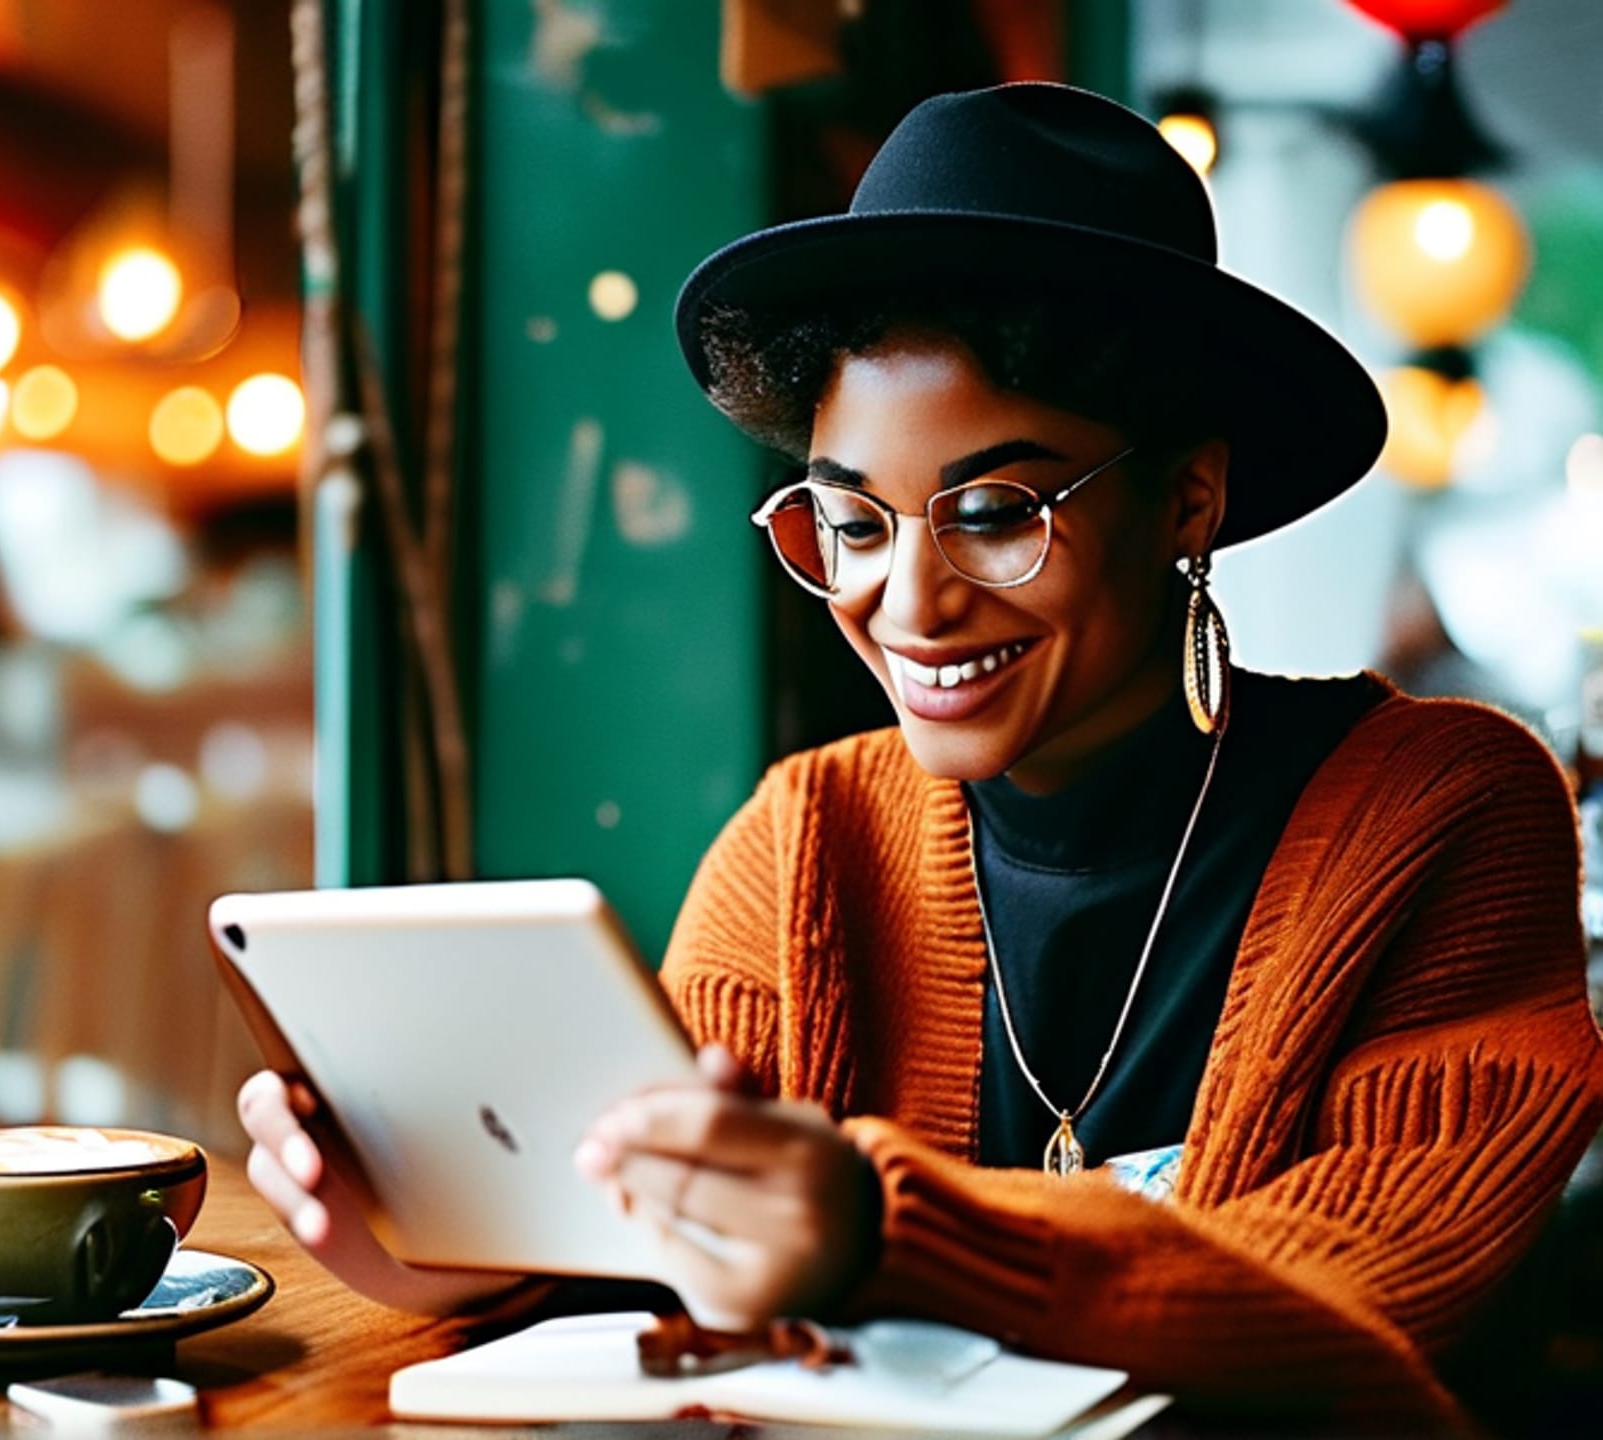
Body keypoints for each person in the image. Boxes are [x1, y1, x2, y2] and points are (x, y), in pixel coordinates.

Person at [238, 84, 1603, 1425]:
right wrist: (452, 1256)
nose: (908, 602)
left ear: (1188, 494)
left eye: (996, 511)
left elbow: (1368, 1297)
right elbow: (681, 1280)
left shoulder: (1440, 809)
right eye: (854, 522)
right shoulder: (802, 846)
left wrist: (874, 1229)